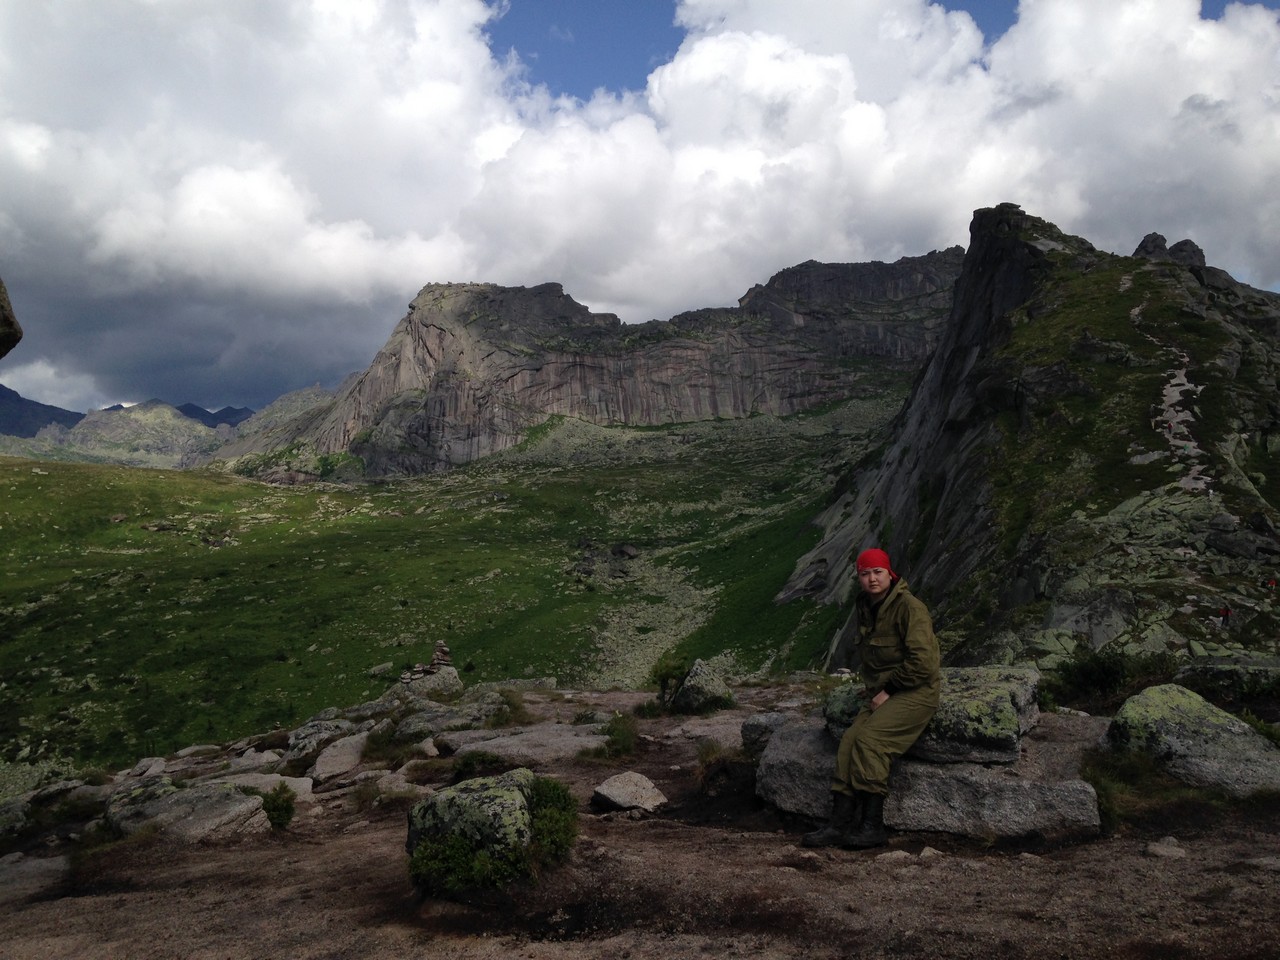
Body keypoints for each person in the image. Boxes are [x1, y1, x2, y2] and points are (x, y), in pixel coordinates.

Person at [803, 547, 941, 850]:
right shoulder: (867, 606)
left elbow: (924, 663)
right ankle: (839, 824)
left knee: (870, 742)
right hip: (884, 691)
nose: (872, 579)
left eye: (878, 572)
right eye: (865, 574)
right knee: (850, 741)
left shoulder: (910, 608)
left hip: (916, 692)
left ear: (890, 573)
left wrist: (888, 690)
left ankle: (872, 826)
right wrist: (876, 688)